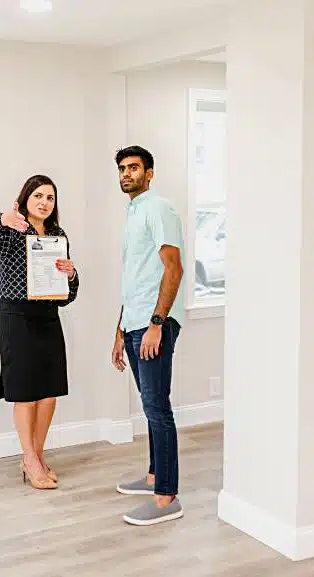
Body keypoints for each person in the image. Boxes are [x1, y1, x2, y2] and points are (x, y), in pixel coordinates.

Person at [0, 174, 79, 490]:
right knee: (25, 391)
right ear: (25, 198)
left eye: (50, 198)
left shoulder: (58, 235)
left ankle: (35, 455)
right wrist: (2, 218)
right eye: (38, 196)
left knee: (49, 392)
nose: (44, 202)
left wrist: (71, 275)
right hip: (16, 317)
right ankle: (30, 459)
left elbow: (67, 296)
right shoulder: (12, 229)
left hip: (48, 317)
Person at [111, 145, 186, 526]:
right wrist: (120, 329)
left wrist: (157, 322)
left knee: (158, 407)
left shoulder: (158, 209)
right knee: (150, 405)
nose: (126, 174)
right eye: (122, 169)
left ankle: (166, 497)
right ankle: (156, 477)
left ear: (149, 173)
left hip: (154, 323)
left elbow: (173, 268)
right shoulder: (134, 212)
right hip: (135, 321)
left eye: (134, 167)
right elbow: (136, 278)